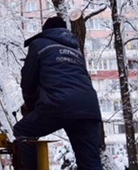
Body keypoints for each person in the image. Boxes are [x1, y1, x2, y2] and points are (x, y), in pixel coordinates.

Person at [13, 16, 103, 170]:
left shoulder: (38, 44)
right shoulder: (75, 49)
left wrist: (31, 106)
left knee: (23, 131)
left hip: (58, 104)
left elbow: (28, 81)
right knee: (90, 162)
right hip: (89, 108)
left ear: (46, 31)